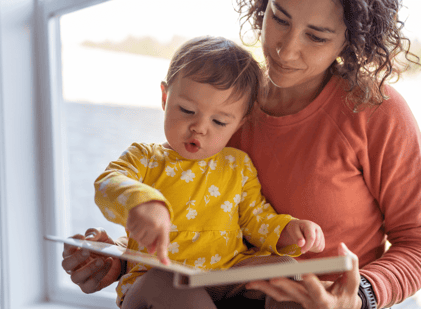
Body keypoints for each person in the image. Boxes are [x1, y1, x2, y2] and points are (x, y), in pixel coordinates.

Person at [62, 0, 421, 308]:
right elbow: (193, 221)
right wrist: (117, 260)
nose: (285, 48)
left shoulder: (377, 111)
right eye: (279, 17)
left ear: (350, 40)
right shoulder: (225, 104)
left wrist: (360, 294)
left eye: (316, 36)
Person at [82, 36, 326, 308]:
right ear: (165, 97)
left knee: (286, 267)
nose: (199, 127)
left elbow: (256, 219)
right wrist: (142, 202)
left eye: (219, 121)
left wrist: (288, 230)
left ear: (239, 123)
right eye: (187, 110)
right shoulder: (146, 157)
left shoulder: (238, 165)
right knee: (166, 282)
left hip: (227, 273)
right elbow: (107, 182)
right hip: (158, 279)